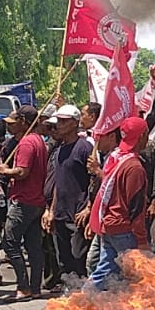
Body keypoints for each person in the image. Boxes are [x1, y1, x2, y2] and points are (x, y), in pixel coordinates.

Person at [87, 118, 150, 292]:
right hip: (124, 229)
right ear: (142, 136)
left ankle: (79, 303)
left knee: (104, 271)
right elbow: (136, 208)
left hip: (109, 225)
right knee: (137, 276)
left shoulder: (116, 157)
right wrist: (142, 240)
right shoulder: (134, 168)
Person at [0, 105, 48, 300]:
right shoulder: (39, 141)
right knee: (34, 246)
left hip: (24, 200)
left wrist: (5, 171)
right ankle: (35, 287)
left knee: (9, 243)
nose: (9, 126)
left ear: (24, 122)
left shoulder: (27, 143)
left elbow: (22, 172)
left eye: (13, 122)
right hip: (36, 201)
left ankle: (24, 286)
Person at [44, 106, 93, 281]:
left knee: (78, 258)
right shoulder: (58, 151)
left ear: (75, 123)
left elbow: (94, 180)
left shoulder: (84, 148)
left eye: (64, 121)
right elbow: (59, 182)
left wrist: (88, 208)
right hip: (60, 215)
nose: (60, 125)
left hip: (77, 214)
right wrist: (50, 210)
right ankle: (69, 295)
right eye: (59, 121)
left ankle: (82, 297)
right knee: (63, 261)